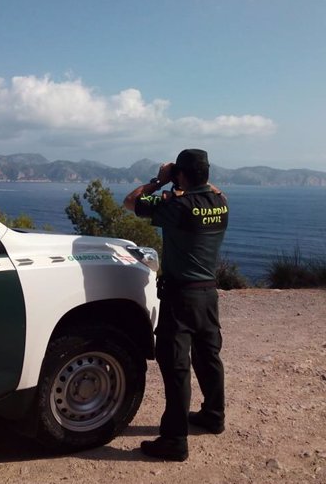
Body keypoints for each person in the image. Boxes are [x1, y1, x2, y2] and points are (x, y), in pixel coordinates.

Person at [123, 148, 229, 462]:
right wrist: (184, 179)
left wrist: (159, 180)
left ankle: (174, 440)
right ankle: (213, 415)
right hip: (209, 294)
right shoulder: (221, 202)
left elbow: (131, 202)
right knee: (209, 356)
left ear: (180, 175)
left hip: (180, 296)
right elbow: (210, 189)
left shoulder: (177, 205)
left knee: (177, 367)